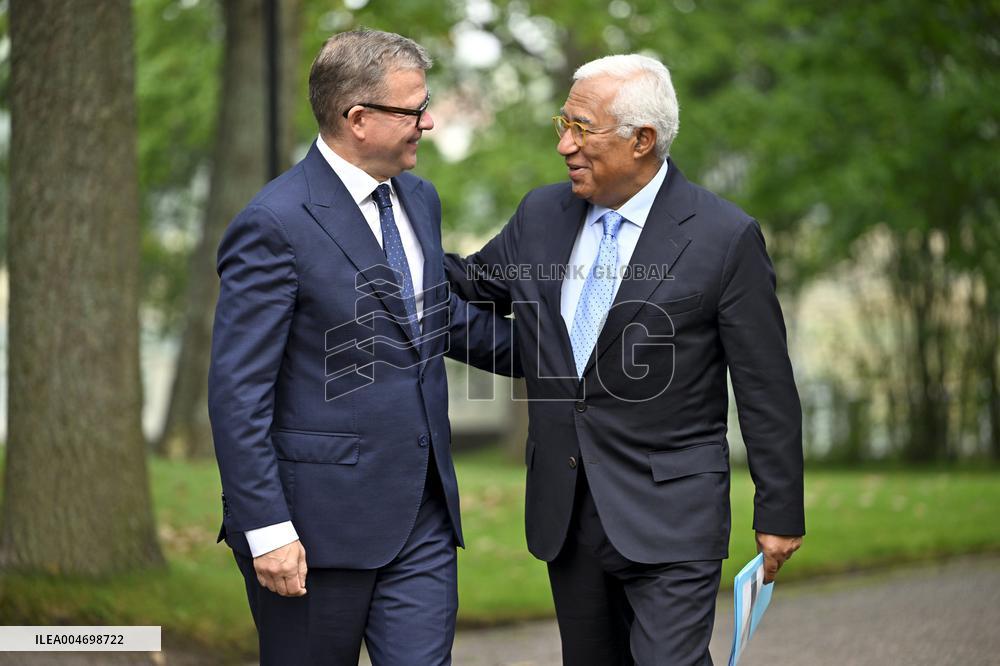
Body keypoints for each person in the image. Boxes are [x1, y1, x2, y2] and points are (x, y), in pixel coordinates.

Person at [444, 54, 805, 665]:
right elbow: (471, 285)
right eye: (564, 122)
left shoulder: (724, 237)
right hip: (568, 511)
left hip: (672, 515)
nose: (564, 144)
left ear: (642, 140)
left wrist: (780, 510)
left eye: (582, 128)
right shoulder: (542, 215)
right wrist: (384, 238)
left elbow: (764, 384)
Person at [208, 29, 515, 666]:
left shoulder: (420, 199)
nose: (427, 122)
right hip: (313, 530)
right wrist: (268, 531)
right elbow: (238, 395)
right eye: (413, 109)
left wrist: (574, 348)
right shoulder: (274, 224)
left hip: (423, 519)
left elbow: (435, 318)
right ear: (358, 119)